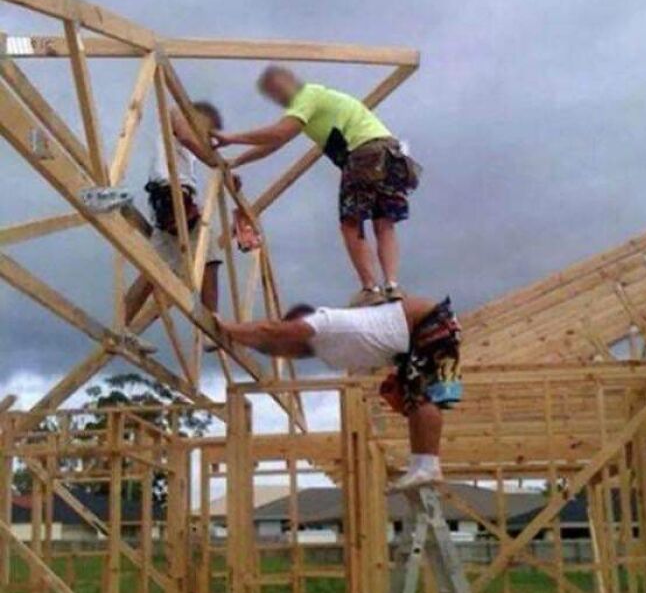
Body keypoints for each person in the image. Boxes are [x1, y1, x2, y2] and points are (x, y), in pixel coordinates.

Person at [211, 66, 421, 308]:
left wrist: (231, 138)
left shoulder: (307, 96)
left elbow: (280, 132)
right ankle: (392, 286)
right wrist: (237, 160)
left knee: (351, 223)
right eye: (273, 93)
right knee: (384, 222)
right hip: (390, 154)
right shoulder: (317, 102)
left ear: (291, 81)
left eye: (277, 89)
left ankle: (370, 288)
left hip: (364, 154)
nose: (278, 96)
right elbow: (275, 144)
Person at [216, 294, 462, 490]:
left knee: (422, 395)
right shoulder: (324, 349)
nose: (287, 348)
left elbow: (271, 332)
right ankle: (423, 466)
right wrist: (240, 340)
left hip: (427, 321)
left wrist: (227, 328)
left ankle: (427, 466)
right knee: (414, 397)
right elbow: (273, 344)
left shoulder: (321, 323)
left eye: (290, 332)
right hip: (414, 335)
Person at [124, 100, 225, 324]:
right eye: (207, 129)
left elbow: (192, 145)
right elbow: (189, 138)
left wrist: (221, 169)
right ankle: (211, 320)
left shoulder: (183, 150)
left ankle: (121, 326)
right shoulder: (175, 113)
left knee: (153, 270)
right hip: (174, 197)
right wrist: (219, 164)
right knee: (209, 254)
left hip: (168, 202)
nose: (206, 137)